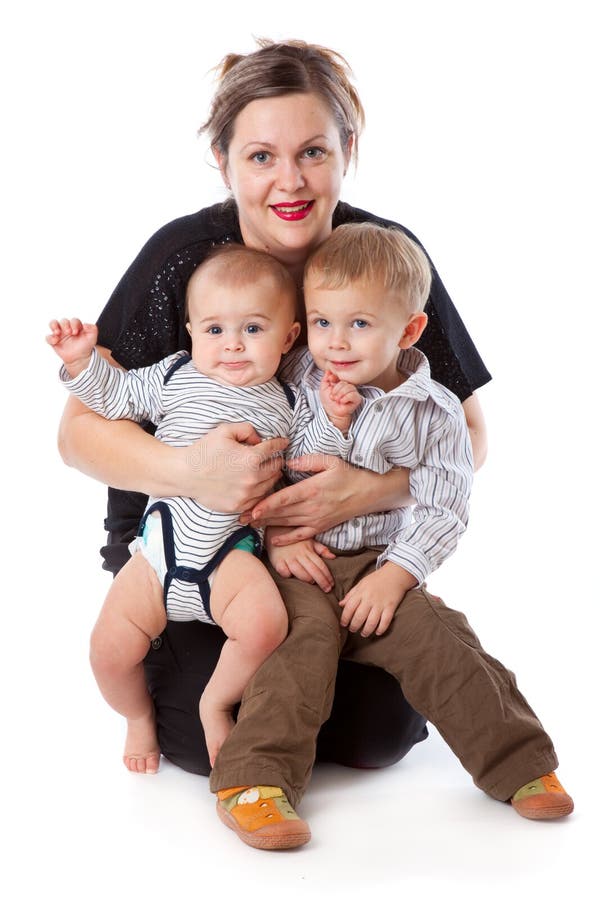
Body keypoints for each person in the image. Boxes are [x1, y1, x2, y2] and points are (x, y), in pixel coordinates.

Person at [57, 40, 490, 811]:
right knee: (197, 744)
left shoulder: (382, 258)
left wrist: (368, 489)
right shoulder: (184, 262)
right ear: (223, 161)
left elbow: (467, 433)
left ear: (347, 151)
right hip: (193, 553)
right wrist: (196, 474)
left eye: (313, 151)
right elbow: (79, 433)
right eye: (261, 155)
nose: (288, 181)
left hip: (340, 558)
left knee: (376, 738)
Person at [210, 222, 573, 849]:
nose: (335, 343)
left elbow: (445, 504)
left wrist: (398, 575)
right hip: (300, 562)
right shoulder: (294, 379)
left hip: (382, 563)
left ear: (408, 330)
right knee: (298, 645)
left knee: (441, 639)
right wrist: (277, 539)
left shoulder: (434, 411)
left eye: (359, 324)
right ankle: (254, 780)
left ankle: (520, 765)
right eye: (321, 322)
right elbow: (261, 460)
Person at [48, 244, 363, 770]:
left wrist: (336, 418)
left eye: (253, 330)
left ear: (288, 338)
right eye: (214, 330)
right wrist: (83, 362)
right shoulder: (173, 377)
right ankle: (137, 718)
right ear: (191, 332)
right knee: (107, 650)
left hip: (232, 555)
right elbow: (117, 397)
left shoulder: (288, 401)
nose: (233, 345)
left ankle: (214, 701)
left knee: (265, 626)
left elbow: (313, 460)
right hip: (157, 552)